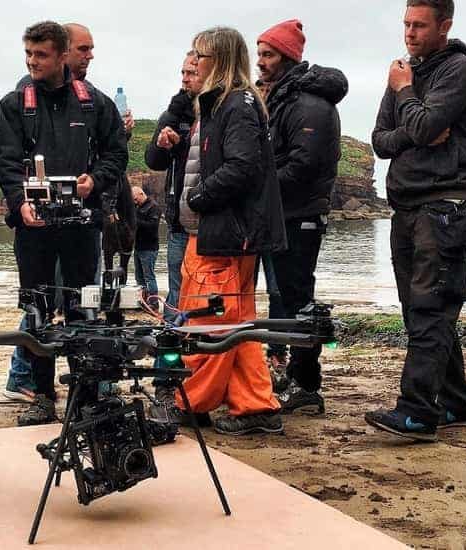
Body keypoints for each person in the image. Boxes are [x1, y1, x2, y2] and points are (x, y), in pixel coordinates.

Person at [0, 21, 127, 425]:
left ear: (62, 55)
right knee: (36, 309)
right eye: (28, 54)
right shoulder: (14, 104)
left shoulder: (95, 104)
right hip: (34, 227)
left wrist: (95, 180)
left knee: (82, 308)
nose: (32, 61)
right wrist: (20, 204)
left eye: (41, 54)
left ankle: (84, 395)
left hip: (81, 225)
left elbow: (117, 154)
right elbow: (6, 163)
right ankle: (41, 394)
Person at [366, 0, 466, 441]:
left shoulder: (459, 71)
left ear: (444, 26)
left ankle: (416, 413)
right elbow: (381, 141)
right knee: (419, 310)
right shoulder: (404, 72)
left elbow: (421, 125)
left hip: (444, 206)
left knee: (431, 308)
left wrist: (404, 94)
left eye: (419, 25)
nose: (410, 33)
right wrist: (414, 127)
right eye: (406, 24)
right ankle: (456, 403)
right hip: (407, 207)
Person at [169, 26, 286, 436]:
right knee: (235, 321)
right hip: (215, 235)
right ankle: (256, 406)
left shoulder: (234, 105)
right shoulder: (226, 103)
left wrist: (199, 198)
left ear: (218, 60)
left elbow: (241, 166)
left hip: (221, 236)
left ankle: (193, 402)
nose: (193, 61)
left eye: (199, 55)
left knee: (211, 323)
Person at [256, 19, 348, 415]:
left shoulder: (308, 104)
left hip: (300, 215)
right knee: (290, 297)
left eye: (268, 54)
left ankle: (307, 383)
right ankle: (298, 376)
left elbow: (303, 165)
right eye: (259, 53)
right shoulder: (285, 98)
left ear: (288, 57)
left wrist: (257, 190)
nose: (260, 62)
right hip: (287, 214)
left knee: (298, 299)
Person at [145, 53, 200, 323]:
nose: (185, 79)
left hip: (210, 221)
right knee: (177, 289)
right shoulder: (174, 112)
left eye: (192, 73)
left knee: (204, 292)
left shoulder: (220, 109)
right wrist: (164, 145)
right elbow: (153, 161)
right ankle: (171, 340)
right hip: (178, 219)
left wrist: (183, 144)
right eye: (183, 73)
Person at [132, 186, 161, 302]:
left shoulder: (154, 207)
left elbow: (152, 227)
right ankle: (143, 300)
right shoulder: (137, 207)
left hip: (149, 248)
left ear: (141, 194)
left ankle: (153, 302)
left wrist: (135, 221)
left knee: (149, 277)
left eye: (135, 199)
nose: (134, 202)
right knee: (139, 277)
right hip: (138, 247)